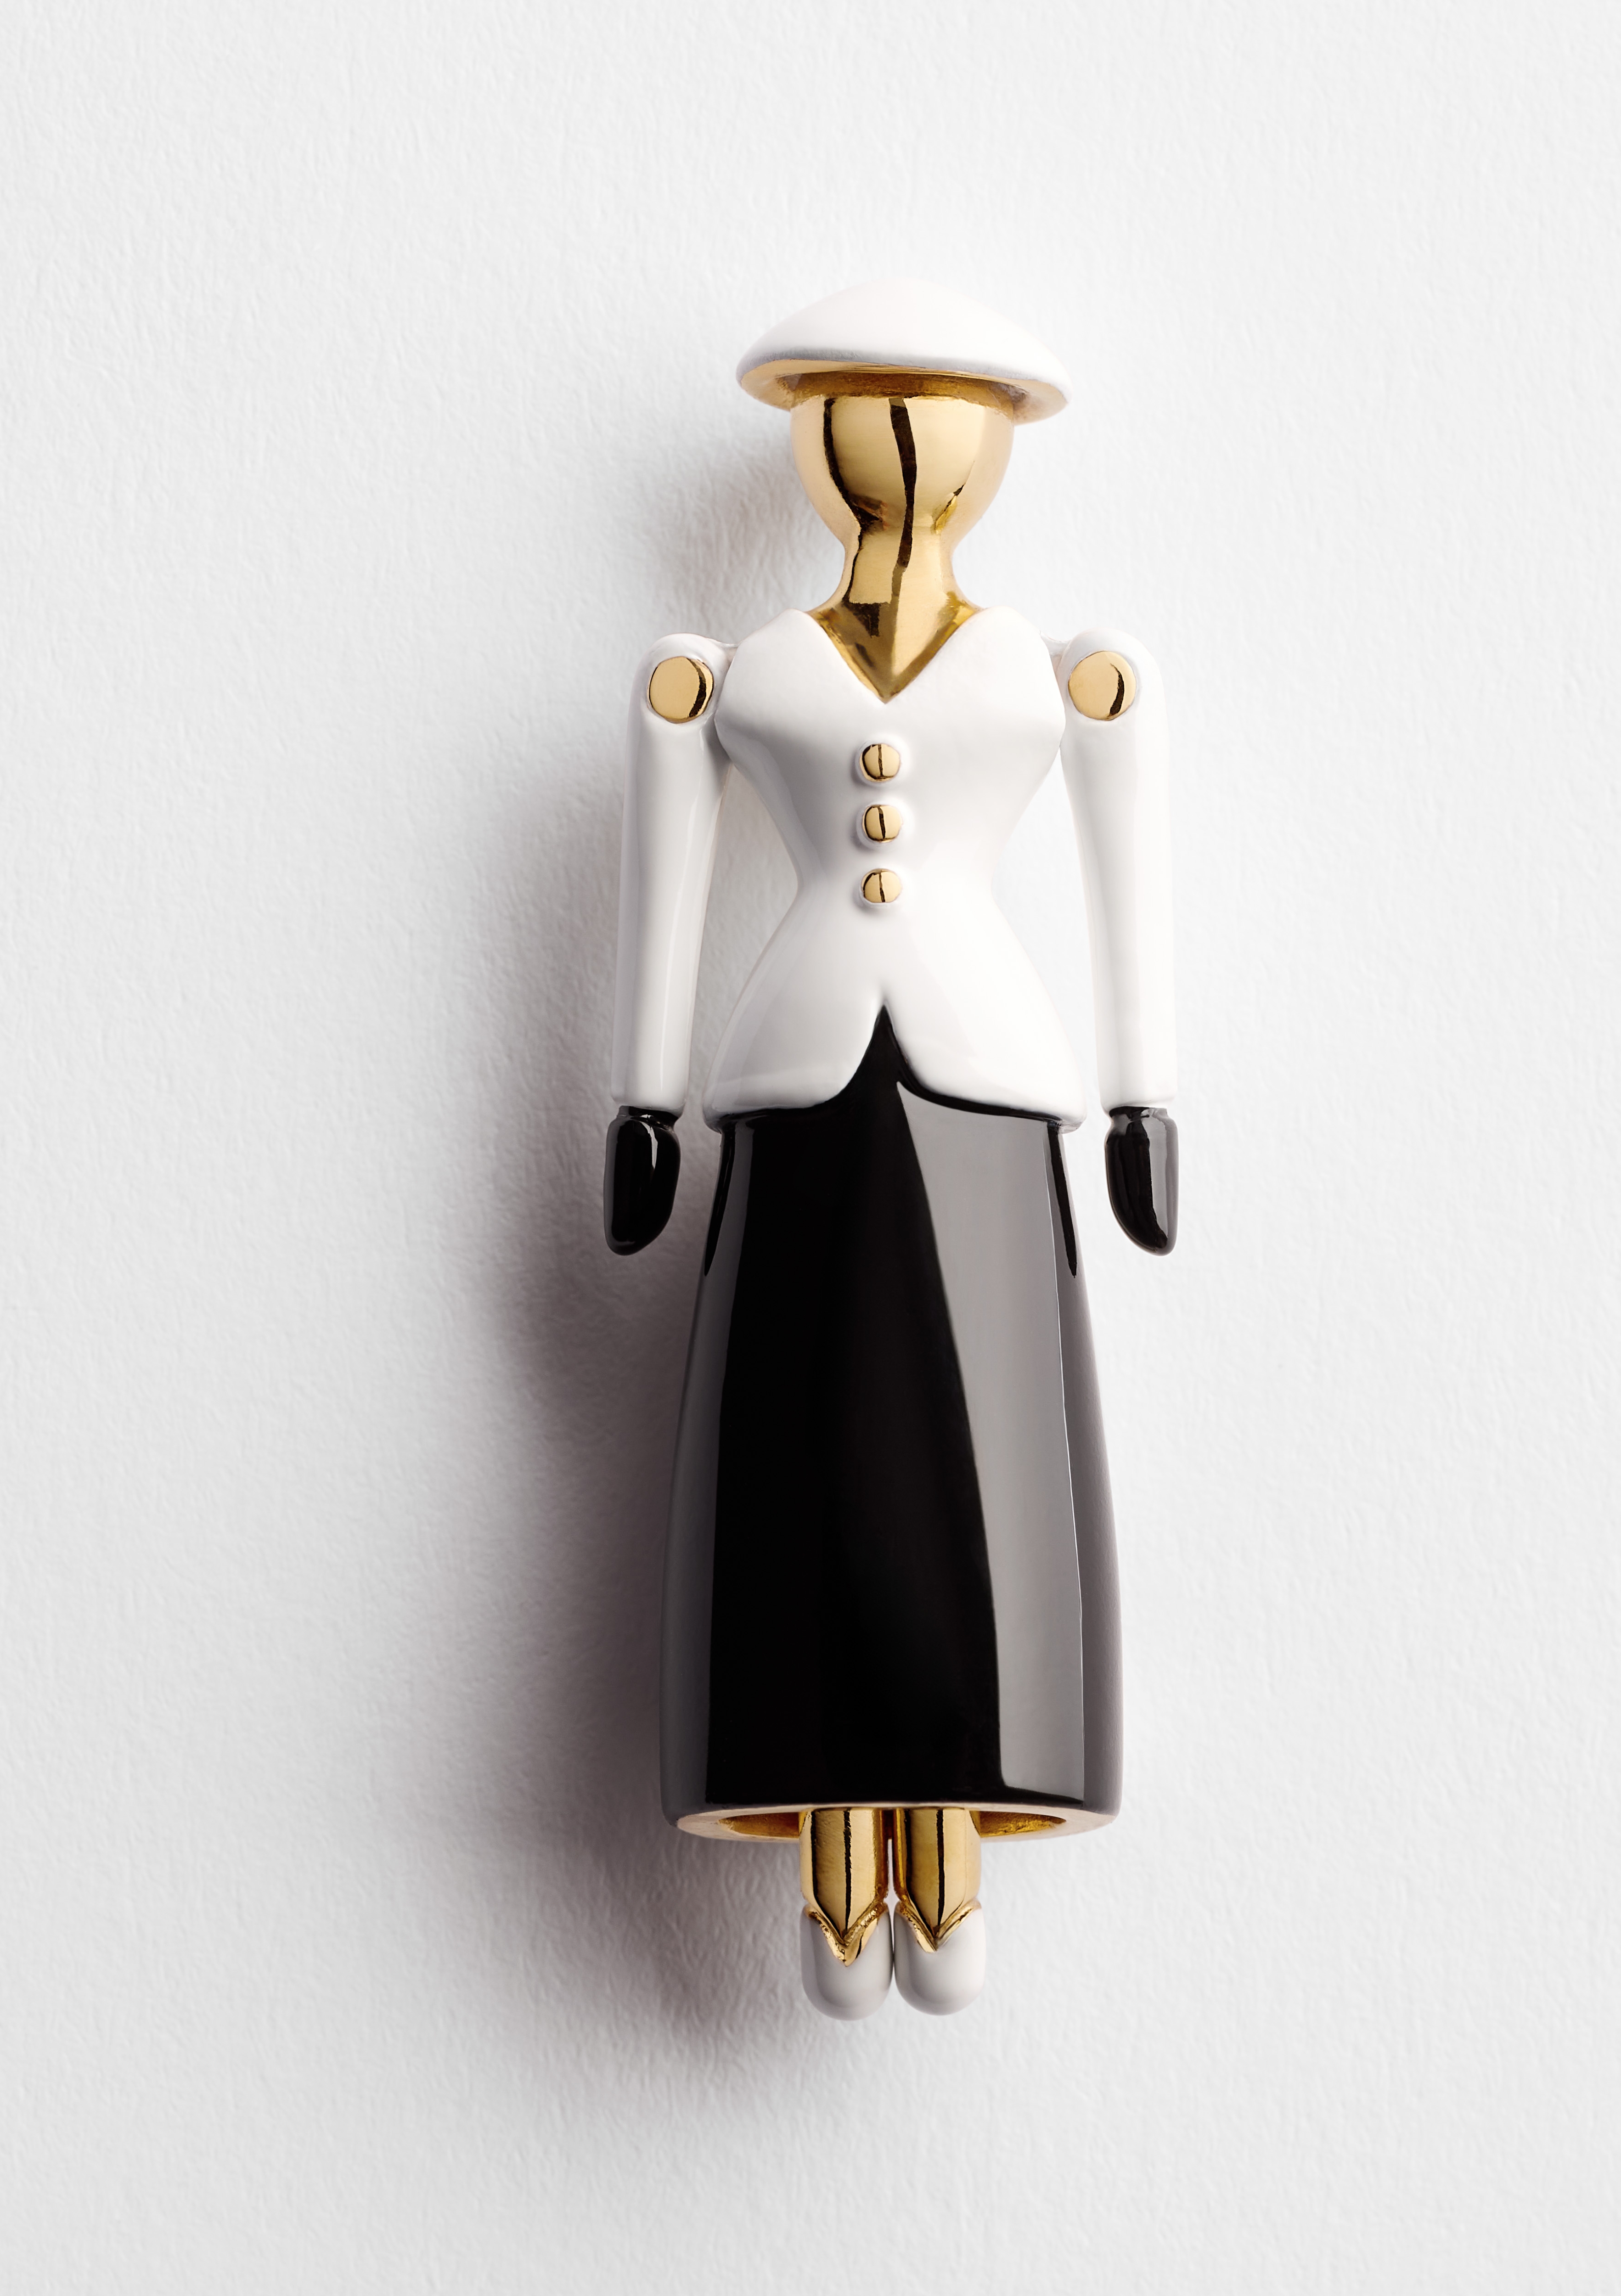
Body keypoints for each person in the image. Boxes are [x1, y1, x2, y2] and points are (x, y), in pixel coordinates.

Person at [603, 279, 1178, 2018]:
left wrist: (1144, 1097)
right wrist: (641, 1100)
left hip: (987, 1076)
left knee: (985, 1447)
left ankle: (958, 1829)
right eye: (862, 419)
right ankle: (832, 1851)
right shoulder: (738, 672)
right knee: (799, 1446)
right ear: (812, 445)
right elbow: (667, 882)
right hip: (796, 1079)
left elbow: (1129, 881)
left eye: (946, 427)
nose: (911, 461)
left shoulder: (1057, 672)